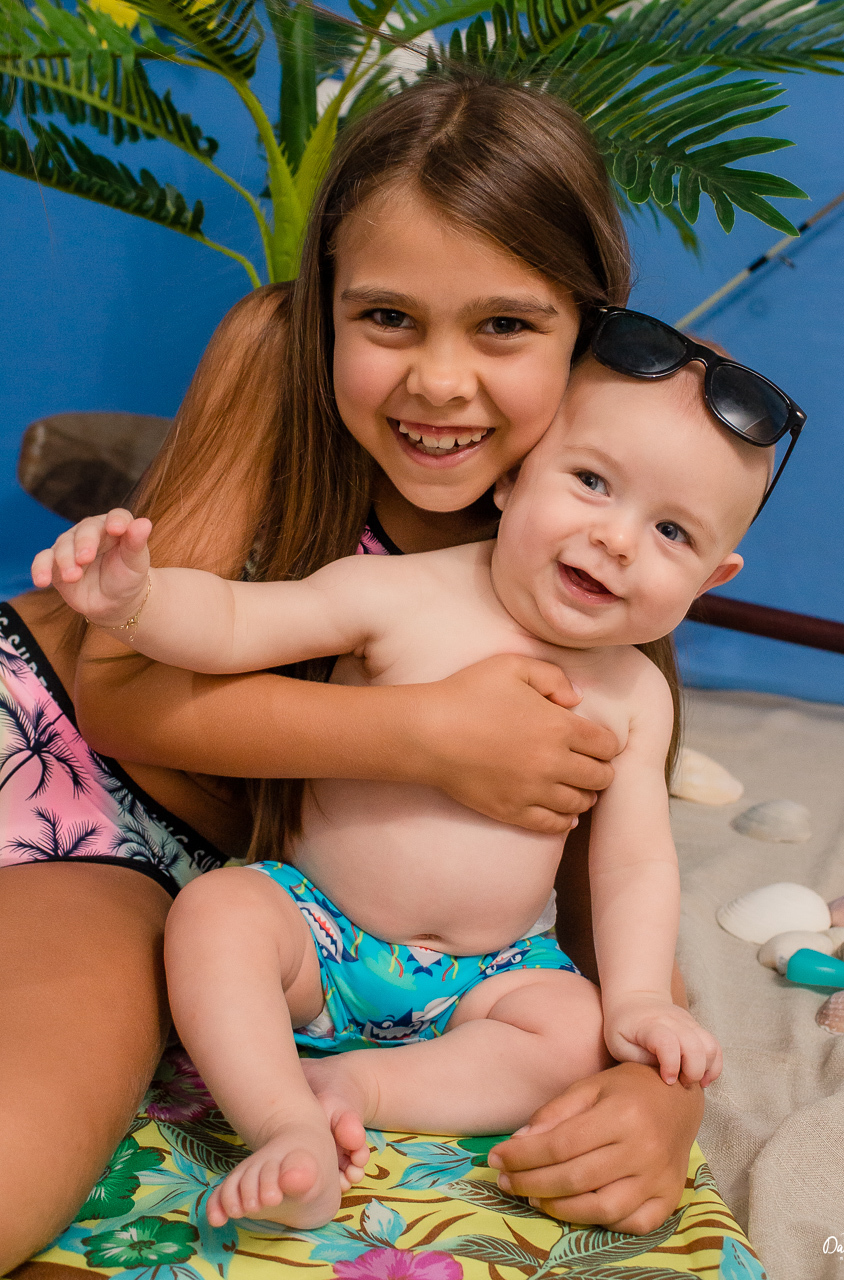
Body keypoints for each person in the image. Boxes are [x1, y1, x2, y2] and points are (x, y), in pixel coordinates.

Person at [3, 74, 704, 1269]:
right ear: (328, 302)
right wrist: (427, 735)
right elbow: (117, 693)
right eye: (386, 317)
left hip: (156, 873)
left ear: (587, 333)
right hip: (44, 718)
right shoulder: (274, 358)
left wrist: (661, 1087)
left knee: (17, 1151)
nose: (440, 381)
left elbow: (614, 860)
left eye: (504, 325)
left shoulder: (612, 527)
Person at [40, 337, 788, 1228]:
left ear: (711, 578)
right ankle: (284, 1128)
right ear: (513, 477)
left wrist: (634, 1000)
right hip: (316, 934)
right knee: (215, 914)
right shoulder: (400, 593)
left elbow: (631, 864)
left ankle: (355, 1087)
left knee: (572, 1031)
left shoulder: (634, 694)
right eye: (590, 481)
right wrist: (137, 601)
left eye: (672, 533)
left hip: (490, 975)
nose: (615, 539)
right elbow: (236, 622)